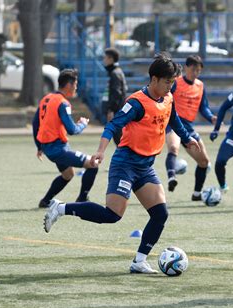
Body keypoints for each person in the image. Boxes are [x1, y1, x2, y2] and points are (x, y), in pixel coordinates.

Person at [42, 54, 200, 274]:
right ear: (154, 79)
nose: (170, 86)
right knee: (113, 215)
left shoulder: (168, 98)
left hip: (145, 166)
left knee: (160, 214)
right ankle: (61, 208)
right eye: (167, 82)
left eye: (173, 82)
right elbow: (112, 125)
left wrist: (187, 138)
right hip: (125, 163)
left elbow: (174, 120)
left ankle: (139, 261)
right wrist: (100, 151)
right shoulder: (137, 102)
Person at [32, 69, 98, 208]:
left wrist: (39, 146)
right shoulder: (63, 103)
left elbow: (35, 123)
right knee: (93, 164)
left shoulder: (46, 98)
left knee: (68, 174)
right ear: (68, 85)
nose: (76, 87)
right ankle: (82, 199)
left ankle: (45, 201)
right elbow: (72, 130)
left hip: (49, 147)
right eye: (75, 84)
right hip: (58, 149)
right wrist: (83, 124)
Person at [164, 55, 217, 200]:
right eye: (193, 69)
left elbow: (203, 107)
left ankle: (197, 194)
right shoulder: (176, 83)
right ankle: (171, 177)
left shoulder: (200, 85)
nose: (195, 73)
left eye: (198, 71)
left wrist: (211, 117)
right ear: (186, 67)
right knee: (173, 148)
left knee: (204, 162)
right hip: (173, 123)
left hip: (188, 126)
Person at [102, 47, 128, 144]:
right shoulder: (116, 72)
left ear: (111, 59)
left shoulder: (115, 73)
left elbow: (117, 93)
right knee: (118, 139)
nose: (104, 60)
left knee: (119, 139)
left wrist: (111, 110)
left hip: (116, 112)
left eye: (105, 58)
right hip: (117, 111)